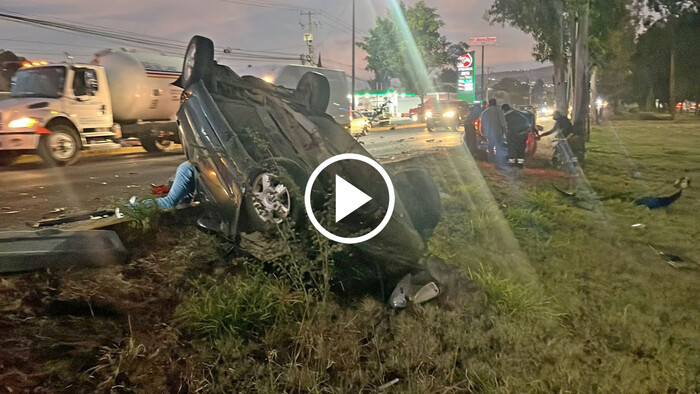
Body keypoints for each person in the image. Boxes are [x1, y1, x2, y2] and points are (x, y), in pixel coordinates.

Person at [479, 98, 508, 167]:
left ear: (489, 103)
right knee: (498, 147)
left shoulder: (484, 112)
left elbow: (482, 124)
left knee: (490, 147)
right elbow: (503, 122)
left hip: (488, 133)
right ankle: (498, 162)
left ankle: (491, 161)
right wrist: (505, 130)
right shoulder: (499, 111)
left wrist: (483, 133)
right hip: (498, 132)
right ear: (496, 103)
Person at [501, 104, 531, 168]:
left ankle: (512, 164)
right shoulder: (519, 114)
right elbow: (527, 124)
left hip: (513, 135)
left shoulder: (506, 117)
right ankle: (520, 165)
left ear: (503, 110)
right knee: (521, 149)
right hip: (523, 134)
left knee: (512, 149)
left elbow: (506, 127)